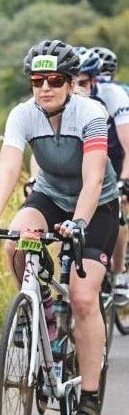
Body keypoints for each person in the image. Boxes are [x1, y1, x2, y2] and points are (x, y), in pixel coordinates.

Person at [0, 39, 117, 415]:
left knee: (85, 299)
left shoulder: (92, 113)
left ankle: (88, 395)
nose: (45, 88)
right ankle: (45, 309)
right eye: (37, 80)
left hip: (97, 205)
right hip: (51, 197)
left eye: (55, 80)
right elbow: (8, 168)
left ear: (71, 83)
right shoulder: (22, 114)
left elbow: (93, 178)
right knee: (15, 243)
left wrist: (80, 221)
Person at [89, 46, 129, 305]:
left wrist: (125, 182)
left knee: (119, 210)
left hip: (120, 152)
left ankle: (120, 273)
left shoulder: (115, 93)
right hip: (96, 154)